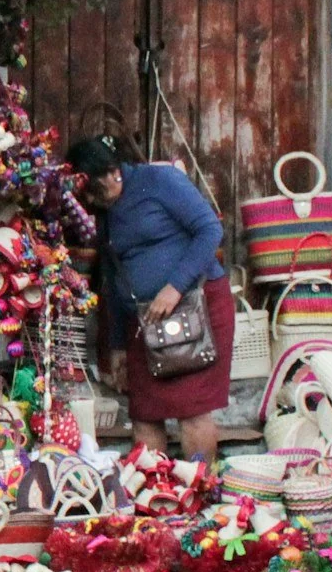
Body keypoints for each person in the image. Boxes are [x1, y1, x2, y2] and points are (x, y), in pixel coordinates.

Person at [69, 133, 232, 466]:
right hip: (144, 322)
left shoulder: (161, 180)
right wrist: (116, 345)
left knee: (193, 411)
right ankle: (156, 497)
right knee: (145, 413)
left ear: (113, 171)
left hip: (194, 308)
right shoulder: (106, 210)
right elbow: (114, 277)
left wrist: (174, 287)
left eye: (100, 192)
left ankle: (200, 491)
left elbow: (210, 231)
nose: (98, 203)